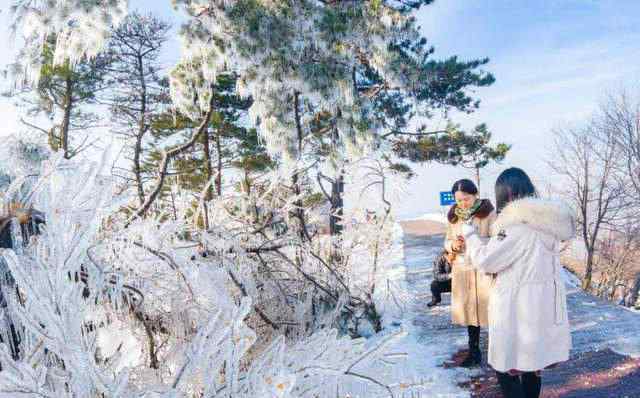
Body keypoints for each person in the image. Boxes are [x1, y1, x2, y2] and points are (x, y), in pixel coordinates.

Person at [460, 168, 574, 398]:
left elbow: (486, 261)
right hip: (541, 311)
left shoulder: (516, 227)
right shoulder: (548, 223)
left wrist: (470, 235)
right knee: (532, 368)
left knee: (505, 368)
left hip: (516, 312)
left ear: (507, 195)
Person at [444, 179, 496, 367]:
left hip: (483, 269)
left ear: (475, 195)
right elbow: (447, 239)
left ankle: (498, 353)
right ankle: (474, 352)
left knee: (491, 310)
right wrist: (453, 245)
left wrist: (474, 240)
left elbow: (497, 241)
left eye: (466, 199)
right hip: (463, 269)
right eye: (458, 200)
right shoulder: (453, 216)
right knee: (470, 313)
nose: (462, 203)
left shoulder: (488, 213)